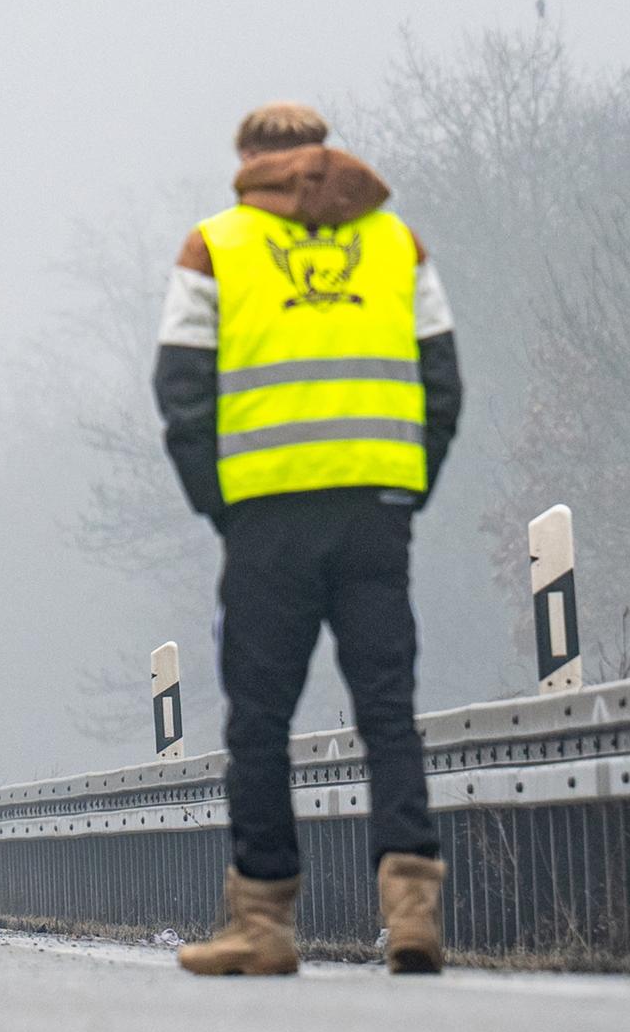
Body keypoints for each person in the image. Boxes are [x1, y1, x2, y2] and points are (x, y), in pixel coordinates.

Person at [156, 102, 465, 976]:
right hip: (375, 513)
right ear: (323, 151)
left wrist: (221, 504)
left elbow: (179, 390)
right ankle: (413, 918)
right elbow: (442, 382)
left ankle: (263, 927)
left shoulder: (215, 247)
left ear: (250, 157)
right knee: (388, 713)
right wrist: (407, 488)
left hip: (266, 522)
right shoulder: (397, 245)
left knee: (259, 722)